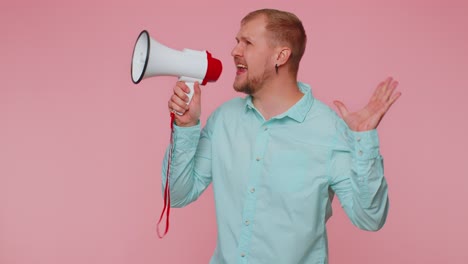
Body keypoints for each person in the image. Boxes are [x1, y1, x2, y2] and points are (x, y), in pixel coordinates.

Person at [163, 8, 401, 264]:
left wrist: (363, 141)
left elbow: (370, 219)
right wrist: (186, 126)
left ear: (281, 55)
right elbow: (177, 195)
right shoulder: (224, 120)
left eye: (248, 43)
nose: (235, 51)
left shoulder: (329, 131)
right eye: (236, 41)